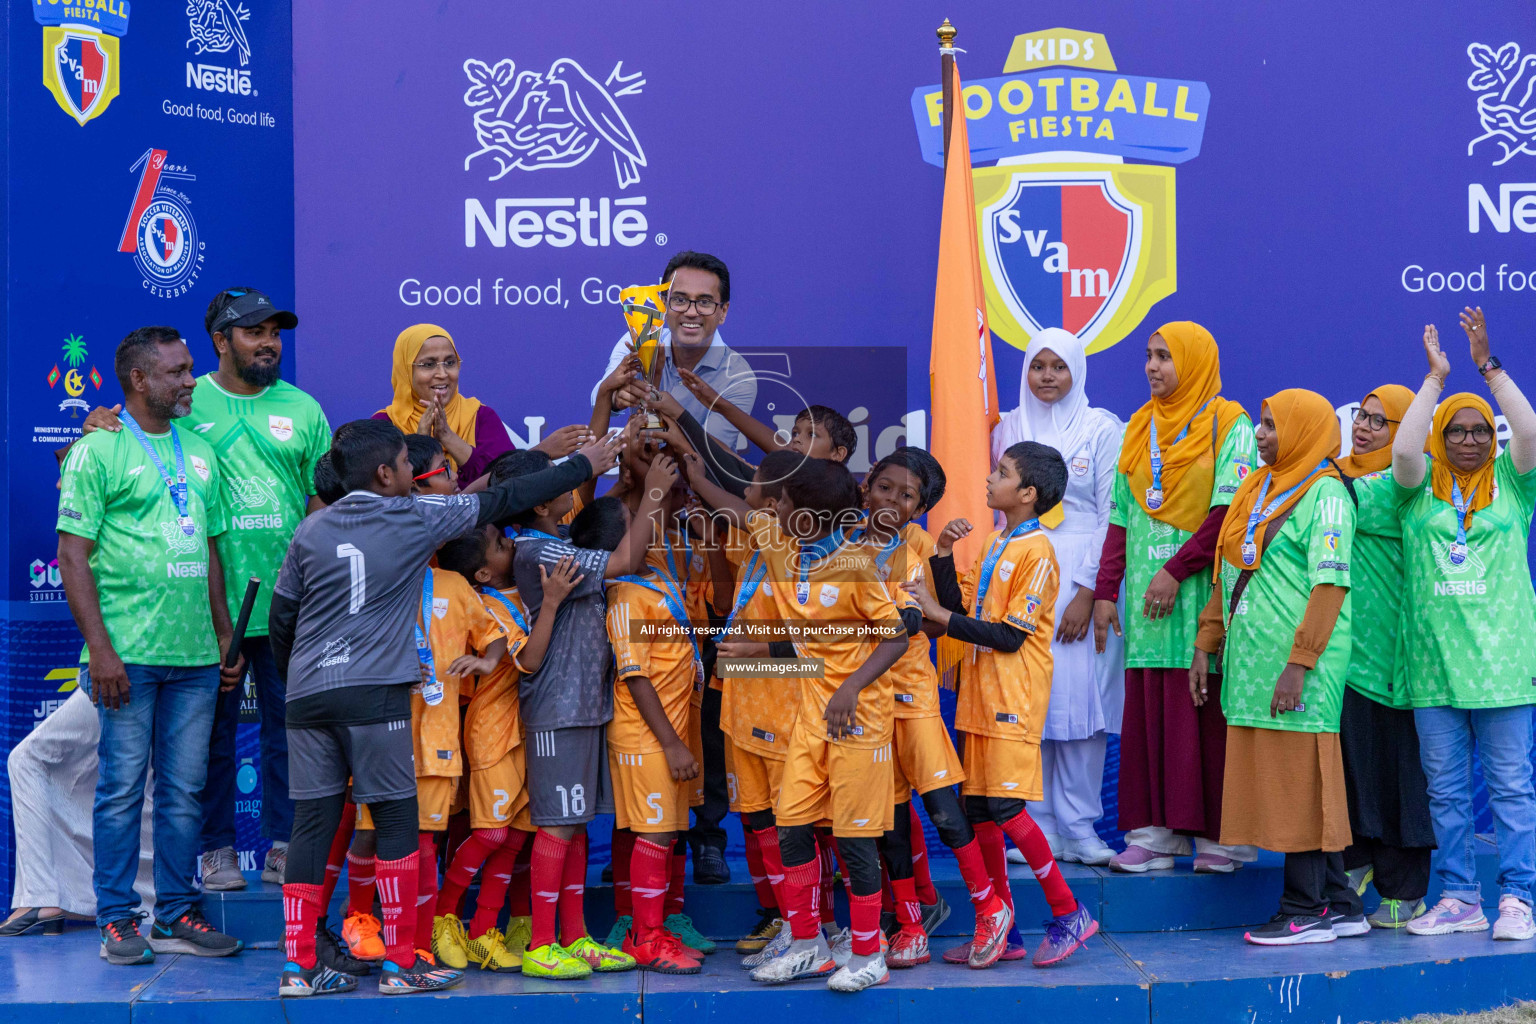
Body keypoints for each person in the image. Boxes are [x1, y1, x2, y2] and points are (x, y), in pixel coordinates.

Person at [269, 419, 620, 997]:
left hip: (308, 695)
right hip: (374, 692)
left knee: (312, 825)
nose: (414, 473)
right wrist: (585, 465)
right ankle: (401, 964)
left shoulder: (309, 530)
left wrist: (300, 684)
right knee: (397, 822)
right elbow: (506, 498)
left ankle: (296, 969)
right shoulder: (413, 516)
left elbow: (283, 619)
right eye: (408, 464)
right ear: (385, 475)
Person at [61, 287, 332, 891]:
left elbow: (319, 506)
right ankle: (215, 852)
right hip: (213, 614)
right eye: (254, 332)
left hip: (290, 604)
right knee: (209, 743)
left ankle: (286, 845)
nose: (268, 343)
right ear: (221, 340)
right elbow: (123, 441)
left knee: (292, 730)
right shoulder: (185, 402)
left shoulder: (306, 409)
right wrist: (95, 421)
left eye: (275, 333)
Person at [57, 326, 246, 965]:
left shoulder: (200, 449)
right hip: (127, 658)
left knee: (183, 791)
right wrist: (102, 653)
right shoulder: (97, 451)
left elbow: (213, 548)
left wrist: (225, 637)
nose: (191, 380)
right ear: (139, 380)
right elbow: (72, 558)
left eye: (190, 368)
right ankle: (116, 918)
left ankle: (174, 913)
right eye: (178, 371)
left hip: (195, 658)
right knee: (119, 791)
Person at [910, 441, 1100, 968]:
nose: (991, 478)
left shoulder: (1038, 551)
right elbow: (957, 607)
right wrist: (943, 558)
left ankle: (1069, 913)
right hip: (979, 697)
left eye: (1002, 472)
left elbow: (1011, 636)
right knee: (979, 811)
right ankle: (1005, 931)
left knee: (1007, 809)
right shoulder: (998, 540)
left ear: (1028, 493)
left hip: (1013, 699)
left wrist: (938, 616)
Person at [1192, 389, 1362, 945]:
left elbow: (1330, 582)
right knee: (1294, 781)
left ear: (1304, 430)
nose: (1260, 434)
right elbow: (1226, 569)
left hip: (1297, 666)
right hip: (1252, 662)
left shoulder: (1327, 493)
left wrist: (1301, 662)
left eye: (1271, 425)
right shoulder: (1256, 486)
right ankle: (1340, 903)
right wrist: (1207, 639)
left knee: (1300, 781)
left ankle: (1304, 909)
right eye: (1261, 424)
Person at [739, 458, 913, 993]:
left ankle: (867, 955)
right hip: (809, 722)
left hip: (858, 721)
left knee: (854, 839)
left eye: (786, 502)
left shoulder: (858, 564)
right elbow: (736, 493)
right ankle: (808, 945)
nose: (775, 508)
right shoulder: (789, 552)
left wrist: (850, 687)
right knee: (792, 828)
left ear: (809, 515)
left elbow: (896, 638)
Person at [1093, 322, 1258, 874]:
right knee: (1152, 711)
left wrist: (1174, 569)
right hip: (1146, 601)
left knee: (1205, 707)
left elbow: (1228, 515)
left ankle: (1220, 837)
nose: (1153, 366)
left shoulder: (1228, 425)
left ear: (1194, 361)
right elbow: (1119, 517)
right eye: (1148, 356)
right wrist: (1105, 591)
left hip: (1201, 593)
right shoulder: (1138, 428)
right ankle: (1155, 834)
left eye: (1165, 356)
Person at [1392, 310, 1536, 941]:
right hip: (1433, 667)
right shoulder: (1417, 491)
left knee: (1509, 791)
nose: (1471, 440)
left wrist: (1488, 368)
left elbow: (1531, 432)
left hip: (1504, 669)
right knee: (1446, 796)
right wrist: (1436, 381)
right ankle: (1458, 897)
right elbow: (1401, 449)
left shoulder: (1514, 485)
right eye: (1459, 430)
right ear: (1442, 437)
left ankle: (1518, 899)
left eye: (1483, 431)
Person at [506, 450, 675, 979]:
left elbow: (604, 534)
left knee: (574, 827)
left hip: (584, 709)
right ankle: (540, 943)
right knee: (556, 829)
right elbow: (622, 560)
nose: (571, 487)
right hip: (556, 710)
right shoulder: (539, 550)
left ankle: (575, 937)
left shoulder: (554, 540)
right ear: (538, 505)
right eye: (560, 481)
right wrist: (652, 493)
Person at [857, 447, 1015, 969]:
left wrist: (895, 619)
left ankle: (990, 908)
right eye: (885, 487)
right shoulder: (843, 544)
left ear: (919, 508)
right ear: (866, 485)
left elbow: (932, 620)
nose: (892, 501)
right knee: (889, 821)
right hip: (864, 702)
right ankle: (909, 924)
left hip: (912, 696)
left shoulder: (920, 547)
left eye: (908, 497)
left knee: (944, 810)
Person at [991, 328, 1125, 866]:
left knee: (1081, 702)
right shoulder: (1007, 425)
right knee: (1031, 701)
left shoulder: (1102, 427)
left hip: (1081, 575)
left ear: (1077, 371)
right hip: (1021, 567)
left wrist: (1090, 591)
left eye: (1059, 367)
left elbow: (1115, 512)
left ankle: (1079, 825)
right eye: (1038, 366)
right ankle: (1036, 825)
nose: (1047, 376)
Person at [432, 526, 574, 971]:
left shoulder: (513, 589)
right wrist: (551, 602)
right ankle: (443, 917)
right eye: (499, 545)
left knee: (514, 838)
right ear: (482, 572)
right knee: (492, 833)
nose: (509, 545)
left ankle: (482, 933)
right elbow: (528, 661)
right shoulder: (488, 605)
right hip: (493, 729)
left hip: (523, 727)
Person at [1335, 384, 1436, 929]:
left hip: (1402, 659)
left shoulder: (1407, 486)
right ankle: (1354, 864)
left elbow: (1352, 501)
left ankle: (1404, 890)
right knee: (1351, 771)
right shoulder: (1337, 476)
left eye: (1380, 421)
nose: (1364, 427)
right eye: (1362, 416)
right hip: (1347, 656)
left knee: (1403, 778)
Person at [596, 496, 709, 975]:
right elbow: (635, 676)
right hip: (648, 736)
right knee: (655, 833)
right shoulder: (624, 598)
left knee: (666, 831)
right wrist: (671, 742)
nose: (650, 529)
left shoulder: (654, 572)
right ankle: (646, 937)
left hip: (674, 728)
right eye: (635, 524)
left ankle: (656, 926)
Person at [3, 688, 155, 936]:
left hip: (127, 667)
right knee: (134, 776)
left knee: (26, 759)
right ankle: (147, 899)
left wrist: (101, 655)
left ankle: (43, 897)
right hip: (172, 671)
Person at [376, 323, 590, 487]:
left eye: (450, 363)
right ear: (405, 370)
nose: (442, 374)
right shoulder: (384, 425)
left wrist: (448, 437)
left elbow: (506, 486)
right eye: (428, 364)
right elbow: (384, 497)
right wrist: (421, 443)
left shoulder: (480, 416)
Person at [591, 250, 759, 452]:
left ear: (723, 312)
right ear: (663, 303)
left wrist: (674, 413)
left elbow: (712, 455)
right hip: (638, 476)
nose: (691, 312)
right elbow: (598, 395)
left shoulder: (738, 376)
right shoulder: (638, 339)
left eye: (704, 302)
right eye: (680, 300)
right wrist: (616, 398)